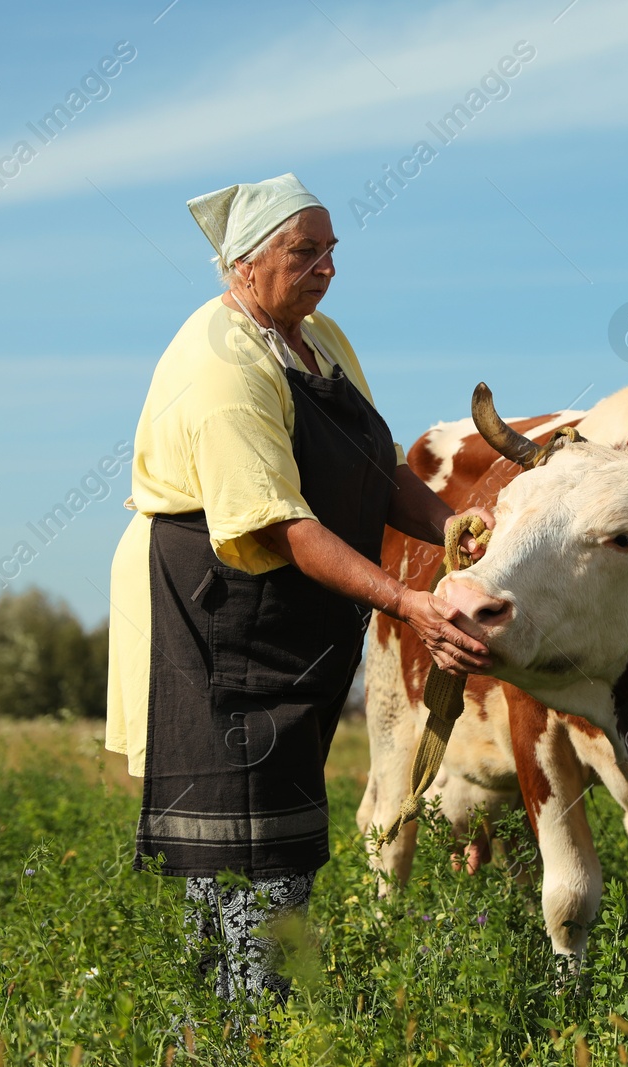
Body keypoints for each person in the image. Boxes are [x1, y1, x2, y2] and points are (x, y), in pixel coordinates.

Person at [105, 173, 492, 1017]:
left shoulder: (319, 339)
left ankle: (247, 1018)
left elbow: (377, 467)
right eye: (303, 252)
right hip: (222, 610)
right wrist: (408, 601)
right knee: (240, 845)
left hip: (292, 623)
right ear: (244, 265)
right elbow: (279, 525)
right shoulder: (222, 366)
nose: (324, 270)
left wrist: (450, 521)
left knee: (279, 841)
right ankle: (242, 1022)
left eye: (330, 253)